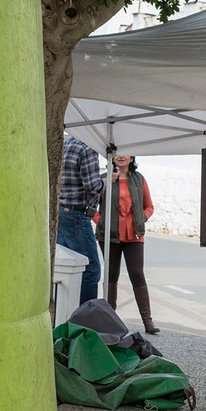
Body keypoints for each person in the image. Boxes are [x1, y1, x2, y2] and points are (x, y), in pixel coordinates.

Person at [96, 155, 159, 334]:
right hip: (109, 237)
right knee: (111, 275)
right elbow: (93, 203)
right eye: (117, 153)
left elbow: (149, 207)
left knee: (137, 274)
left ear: (132, 158)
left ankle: (148, 321)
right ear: (112, 157)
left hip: (134, 236)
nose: (121, 156)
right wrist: (101, 223)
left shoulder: (139, 179)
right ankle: (110, 321)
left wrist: (141, 219)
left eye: (126, 153)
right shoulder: (104, 180)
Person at [57, 135, 104, 307]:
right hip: (77, 214)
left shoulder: (66, 142)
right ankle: (85, 320)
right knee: (90, 270)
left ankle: (65, 315)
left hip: (62, 211)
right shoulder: (88, 147)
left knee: (64, 268)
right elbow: (92, 184)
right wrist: (105, 182)